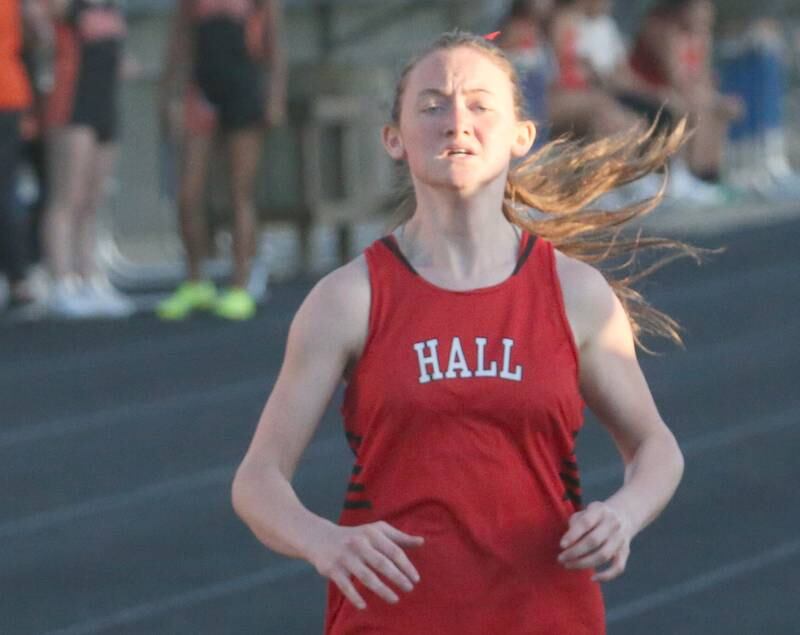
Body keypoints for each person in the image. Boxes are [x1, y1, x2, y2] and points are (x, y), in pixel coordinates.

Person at [232, 30, 688, 634]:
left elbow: (657, 447)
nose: (456, 122)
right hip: (393, 620)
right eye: (431, 105)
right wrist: (322, 541)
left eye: (479, 104)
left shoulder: (573, 294)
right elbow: (257, 480)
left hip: (546, 616)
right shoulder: (349, 299)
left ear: (523, 136)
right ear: (393, 139)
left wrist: (623, 515)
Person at [156, 0, 287, 321]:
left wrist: (274, 96)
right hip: (202, 89)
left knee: (238, 192)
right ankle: (195, 280)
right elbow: (181, 36)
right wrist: (169, 91)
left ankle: (240, 283)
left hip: (242, 85)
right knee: (188, 193)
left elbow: (274, 43)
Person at [41, 0, 134, 318]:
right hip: (73, 105)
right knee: (68, 197)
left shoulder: (110, 7)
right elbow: (40, 23)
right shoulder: (67, 7)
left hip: (104, 105)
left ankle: (89, 276)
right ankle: (62, 281)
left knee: (93, 200)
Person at [629, 0, 743, 186]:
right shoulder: (663, 30)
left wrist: (714, 98)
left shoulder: (701, 36)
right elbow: (675, 78)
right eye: (701, 9)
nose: (706, 15)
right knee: (694, 106)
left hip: (681, 92)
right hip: (648, 91)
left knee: (721, 108)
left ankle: (710, 175)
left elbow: (703, 78)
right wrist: (705, 97)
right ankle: (688, 175)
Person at [0, 0, 48, 312]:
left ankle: (19, 276)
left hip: (10, 93)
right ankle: (19, 278)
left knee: (7, 190)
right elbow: (39, 33)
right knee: (6, 189)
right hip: (10, 92)